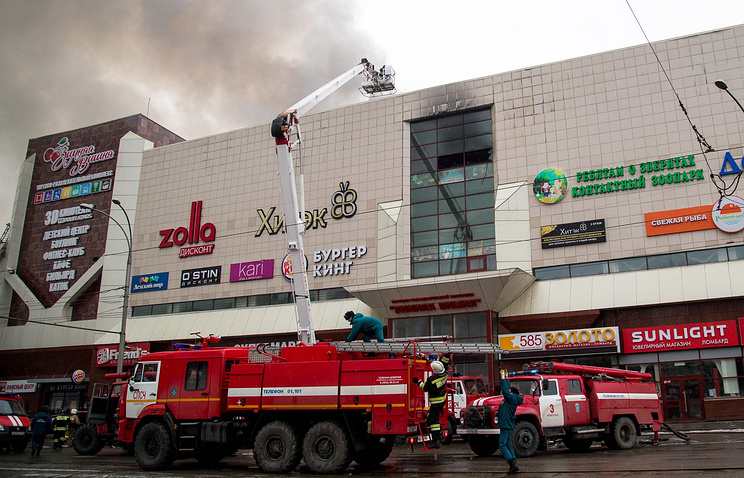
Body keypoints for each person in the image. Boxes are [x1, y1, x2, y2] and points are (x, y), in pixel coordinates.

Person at [412, 354, 452, 449]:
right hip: (442, 399)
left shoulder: (431, 381)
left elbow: (424, 388)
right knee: (434, 418)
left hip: (436, 402)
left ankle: (435, 441)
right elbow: (445, 363)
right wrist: (447, 354)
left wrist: (418, 382)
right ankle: (436, 439)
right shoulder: (445, 373)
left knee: (434, 421)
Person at [499, 369, 524, 474]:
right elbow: (507, 390)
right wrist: (507, 378)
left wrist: (503, 380)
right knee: (508, 444)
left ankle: (512, 463)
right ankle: (513, 464)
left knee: (502, 445)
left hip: (505, 423)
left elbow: (505, 391)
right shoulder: (513, 398)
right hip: (507, 423)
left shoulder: (511, 398)